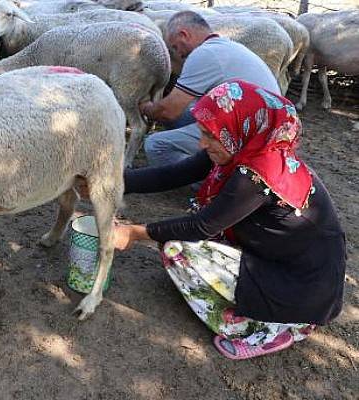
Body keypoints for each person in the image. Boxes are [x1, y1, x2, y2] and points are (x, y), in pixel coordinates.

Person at [101, 80, 345, 359]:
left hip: (303, 288)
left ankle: (273, 329)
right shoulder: (243, 148)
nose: (202, 143)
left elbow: (203, 225)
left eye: (209, 135)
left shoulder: (259, 173)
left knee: (177, 248)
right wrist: (111, 181)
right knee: (186, 236)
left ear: (239, 129)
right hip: (283, 261)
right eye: (203, 132)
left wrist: (133, 232)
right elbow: (174, 174)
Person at [140, 11, 281, 168]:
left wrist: (146, 108)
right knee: (180, 118)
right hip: (269, 124)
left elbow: (168, 111)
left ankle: (214, 180)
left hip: (250, 133)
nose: (178, 54)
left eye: (175, 47)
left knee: (155, 145)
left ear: (184, 35)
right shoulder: (228, 46)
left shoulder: (204, 54)